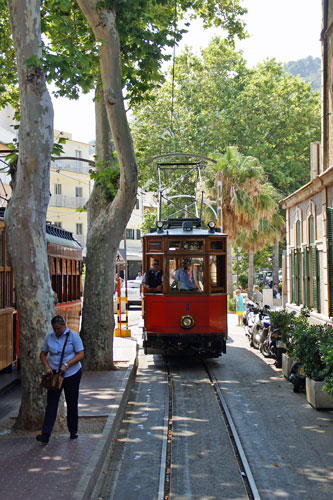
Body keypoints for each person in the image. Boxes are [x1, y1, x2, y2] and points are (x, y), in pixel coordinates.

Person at [36, 315, 84, 444]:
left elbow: (80, 354)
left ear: (64, 326)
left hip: (71, 374)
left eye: (59, 328)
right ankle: (45, 434)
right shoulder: (49, 337)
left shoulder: (73, 336)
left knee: (72, 401)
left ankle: (73, 431)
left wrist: (66, 365)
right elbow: (43, 354)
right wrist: (47, 367)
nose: (57, 331)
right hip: (55, 375)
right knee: (51, 403)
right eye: (55, 328)